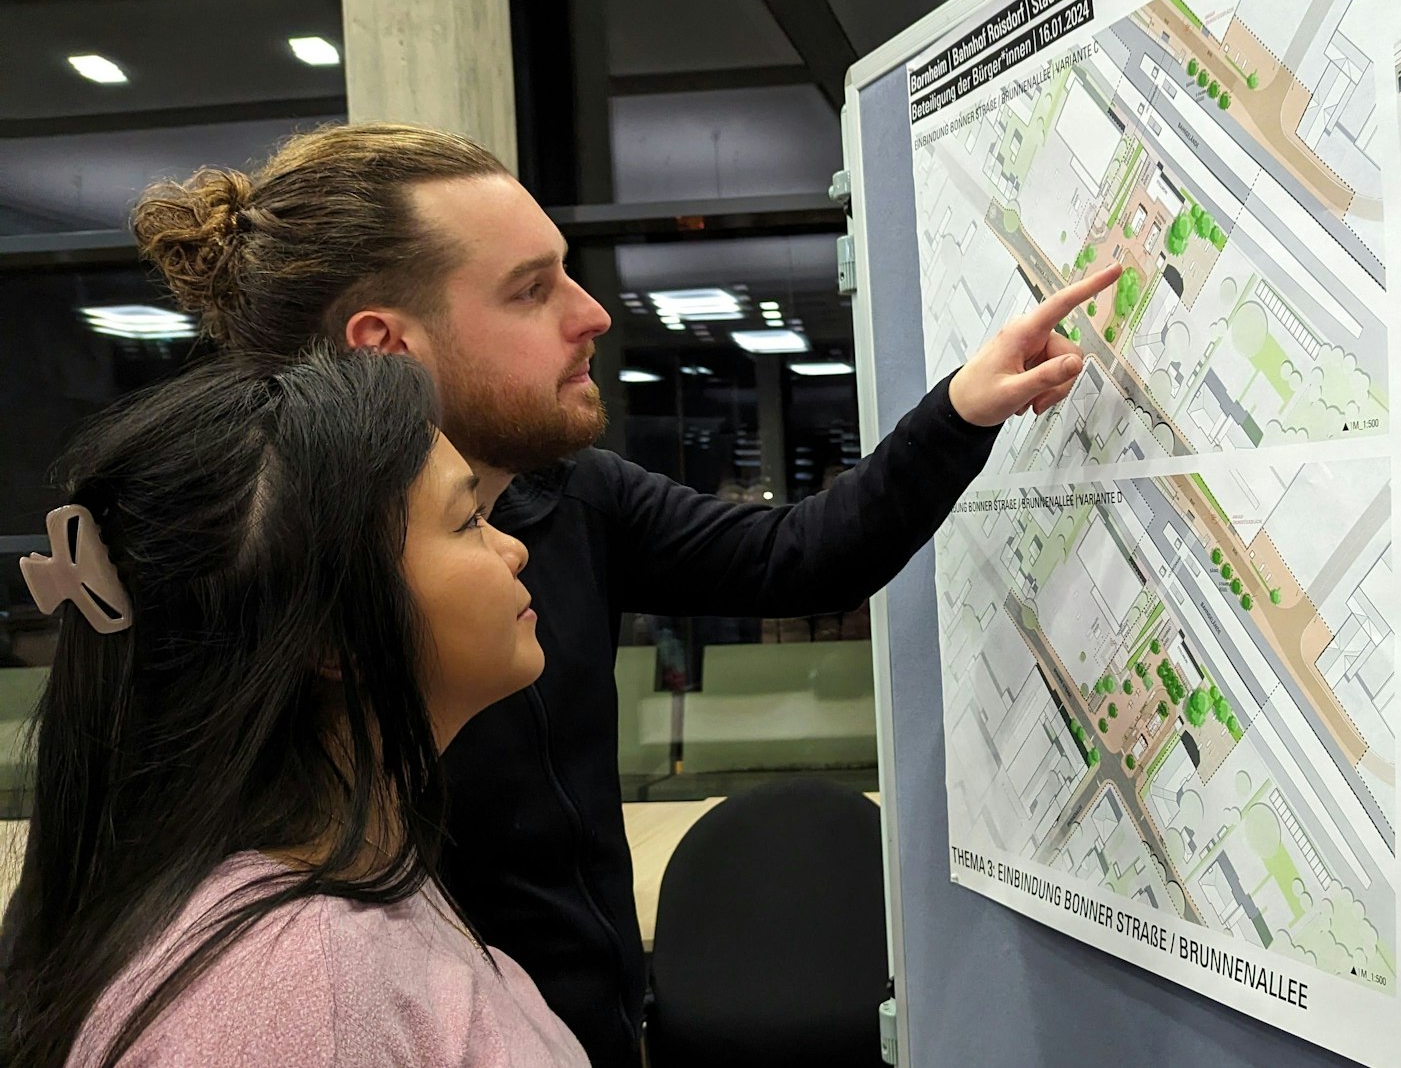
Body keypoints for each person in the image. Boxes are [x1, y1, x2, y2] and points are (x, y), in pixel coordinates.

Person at [125, 121, 1102, 1066]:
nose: (592, 312)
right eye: (529, 289)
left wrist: (962, 409)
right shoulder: (262, 618)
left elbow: (793, 559)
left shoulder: (568, 494)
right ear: (384, 346)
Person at [1, 350, 586, 1066]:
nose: (514, 551)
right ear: (335, 633)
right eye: (468, 522)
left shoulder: (350, 880)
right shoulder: (296, 992)